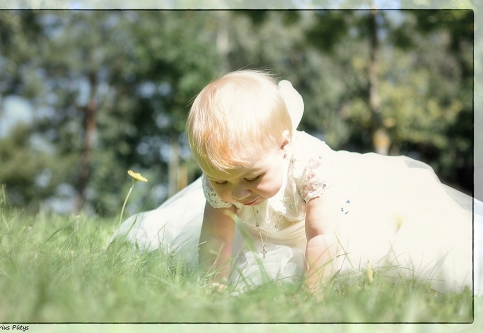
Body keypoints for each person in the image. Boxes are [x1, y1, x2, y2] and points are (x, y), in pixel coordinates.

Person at [111, 70, 482, 296]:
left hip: (329, 223)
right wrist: (214, 284)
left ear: (284, 147)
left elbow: (321, 236)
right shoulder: (222, 184)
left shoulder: (312, 167)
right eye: (221, 179)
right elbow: (217, 238)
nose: (238, 193)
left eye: (252, 177)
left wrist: (313, 292)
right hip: (265, 233)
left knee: (388, 252)